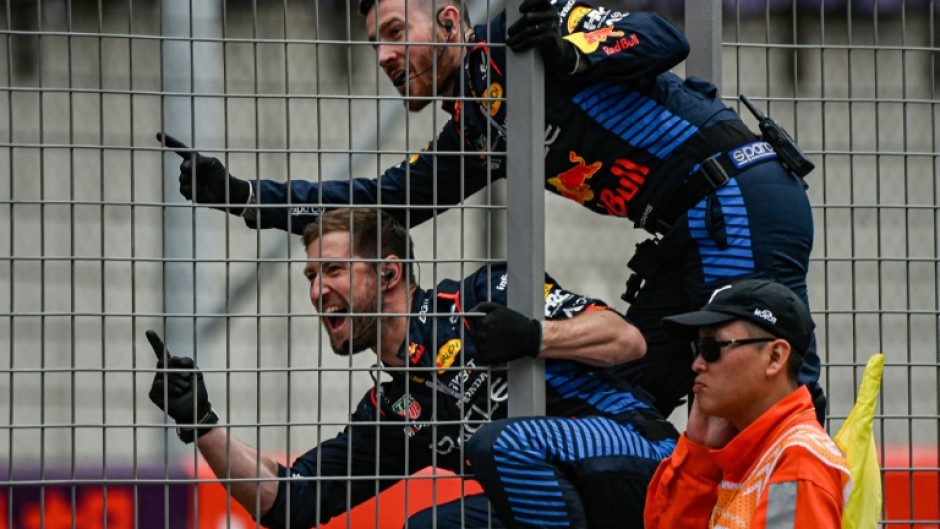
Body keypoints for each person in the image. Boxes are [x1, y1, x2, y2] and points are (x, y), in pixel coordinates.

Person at [156, 0, 823, 420]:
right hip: (690, 226)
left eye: (394, 32)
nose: (385, 56)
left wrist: (570, 52)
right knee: (632, 392)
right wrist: (243, 197)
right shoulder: (480, 130)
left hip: (735, 197)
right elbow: (383, 201)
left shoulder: (525, 41)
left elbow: (660, 39)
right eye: (375, 45)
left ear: (449, 21)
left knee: (771, 392)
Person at [144, 207, 677, 529]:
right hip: (559, 506)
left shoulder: (481, 297)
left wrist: (532, 336)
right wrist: (201, 423)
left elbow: (625, 340)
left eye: (332, 270)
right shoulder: (398, 406)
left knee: (498, 444)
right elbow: (288, 503)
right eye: (309, 275)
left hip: (638, 461)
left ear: (390, 272)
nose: (315, 291)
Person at [643, 278, 851, 529]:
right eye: (696, 348)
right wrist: (698, 459)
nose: (697, 364)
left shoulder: (797, 462)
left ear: (775, 357)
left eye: (711, 348)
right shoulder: (753, 452)